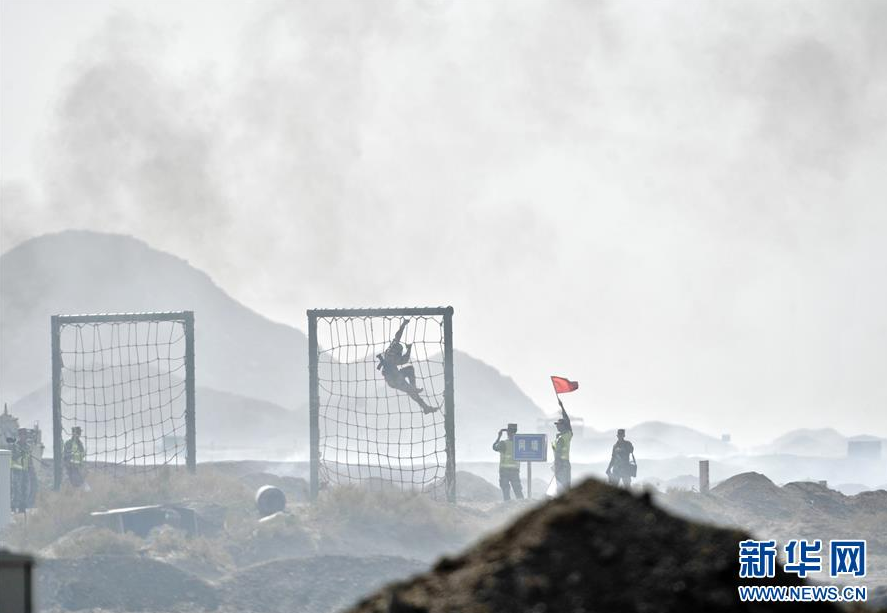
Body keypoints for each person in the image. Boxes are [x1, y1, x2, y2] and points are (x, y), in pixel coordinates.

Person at [377, 319, 438, 413]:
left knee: (410, 382)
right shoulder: (394, 357)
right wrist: (409, 349)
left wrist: (403, 325)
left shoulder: (391, 349)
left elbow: (398, 336)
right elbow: (405, 359)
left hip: (396, 376)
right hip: (394, 379)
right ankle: (424, 405)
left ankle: (425, 406)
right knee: (410, 386)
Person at [493, 423, 523, 501]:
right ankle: (522, 506)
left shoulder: (503, 443)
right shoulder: (519, 443)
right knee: (518, 491)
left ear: (508, 433)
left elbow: (494, 447)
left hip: (504, 470)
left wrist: (499, 436)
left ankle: (508, 506)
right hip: (515, 471)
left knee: (506, 491)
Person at [552, 399, 573, 494]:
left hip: (561, 464)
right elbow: (568, 422)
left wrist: (557, 466)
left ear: (563, 426)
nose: (557, 426)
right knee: (564, 486)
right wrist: (562, 407)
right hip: (564, 464)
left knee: (561, 487)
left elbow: (557, 454)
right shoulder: (567, 435)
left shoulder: (562, 438)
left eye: (559, 425)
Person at [10, 428, 33, 513]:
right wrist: (20, 453)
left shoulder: (28, 446)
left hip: (25, 470)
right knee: (16, 489)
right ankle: (13, 506)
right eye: (22, 434)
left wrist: (31, 469)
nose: (24, 436)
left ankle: (22, 506)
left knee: (25, 488)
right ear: (19, 435)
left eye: (25, 435)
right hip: (17, 470)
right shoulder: (15, 446)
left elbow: (29, 459)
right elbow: (13, 457)